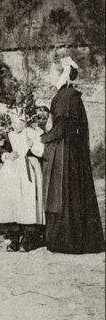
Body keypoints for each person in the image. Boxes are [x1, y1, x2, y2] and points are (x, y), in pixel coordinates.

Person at [41, 57, 104, 254]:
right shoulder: (68, 94)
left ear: (65, 73)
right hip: (67, 149)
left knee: (65, 193)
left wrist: (41, 138)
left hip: (65, 151)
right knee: (68, 193)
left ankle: (67, 240)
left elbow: (62, 126)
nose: (52, 76)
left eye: (56, 71)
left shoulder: (67, 96)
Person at [0, 107, 45, 252]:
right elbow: (2, 151)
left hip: (28, 171)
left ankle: (28, 237)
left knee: (27, 202)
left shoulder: (34, 133)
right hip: (12, 171)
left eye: (18, 121)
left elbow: (41, 152)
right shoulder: (9, 135)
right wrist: (7, 156)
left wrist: (32, 145)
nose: (14, 125)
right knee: (12, 202)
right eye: (12, 122)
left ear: (25, 121)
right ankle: (13, 237)